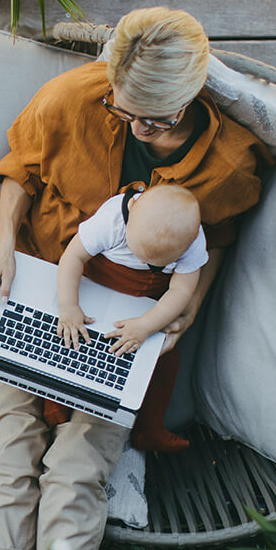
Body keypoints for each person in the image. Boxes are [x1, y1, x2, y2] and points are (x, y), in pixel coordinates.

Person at [0, 6, 273, 550]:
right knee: (9, 460)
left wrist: (186, 311)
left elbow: (216, 242)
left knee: (77, 476)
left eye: (148, 116)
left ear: (189, 98)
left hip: (128, 331)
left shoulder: (227, 161)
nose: (129, 119)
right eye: (122, 104)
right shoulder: (76, 96)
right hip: (47, 293)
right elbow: (17, 169)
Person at [50, 184, 208, 452]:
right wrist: (69, 307)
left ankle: (150, 427)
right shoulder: (112, 218)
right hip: (96, 289)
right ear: (131, 211)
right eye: (138, 251)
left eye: (158, 260)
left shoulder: (192, 240)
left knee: (166, 359)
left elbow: (181, 291)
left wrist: (147, 326)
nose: (143, 260)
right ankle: (54, 405)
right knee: (70, 338)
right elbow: (73, 257)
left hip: (145, 306)